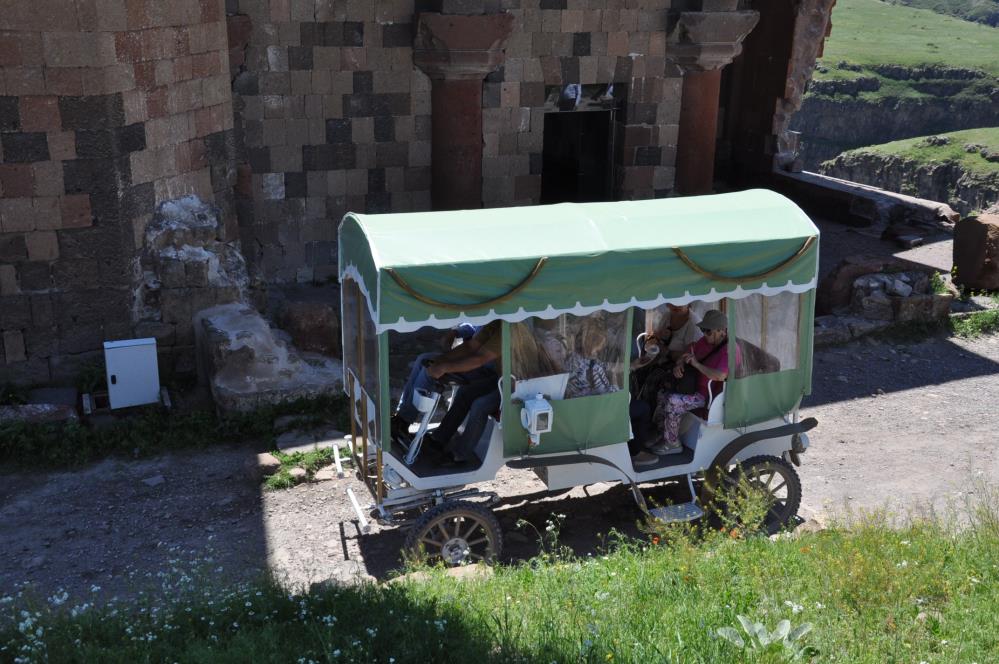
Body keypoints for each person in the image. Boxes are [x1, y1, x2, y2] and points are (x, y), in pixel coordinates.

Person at [427, 321, 558, 465]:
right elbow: (471, 346)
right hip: (506, 378)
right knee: (466, 392)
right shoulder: (496, 323)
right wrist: (441, 361)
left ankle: (459, 455)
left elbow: (480, 358)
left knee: (480, 405)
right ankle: (439, 439)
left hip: (523, 384)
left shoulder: (508, 327)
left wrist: (445, 367)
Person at [633, 309, 739, 467]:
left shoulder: (730, 350)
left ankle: (673, 444)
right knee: (662, 392)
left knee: (673, 400)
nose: (704, 334)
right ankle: (663, 434)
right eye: (703, 330)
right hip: (694, 386)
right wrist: (680, 364)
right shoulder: (706, 341)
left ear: (722, 331)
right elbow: (688, 352)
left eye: (708, 331)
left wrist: (696, 364)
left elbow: (719, 376)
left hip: (709, 396)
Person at [628, 304, 701, 452]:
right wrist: (658, 340)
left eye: (681, 303)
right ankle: (641, 429)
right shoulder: (668, 316)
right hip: (664, 360)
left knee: (656, 383)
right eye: (673, 303)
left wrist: (666, 350)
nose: (676, 306)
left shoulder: (693, 324)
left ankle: (658, 431)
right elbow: (656, 338)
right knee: (639, 376)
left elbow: (688, 356)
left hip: (683, 369)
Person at [391, 323, 485, 436]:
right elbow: (474, 325)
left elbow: (478, 349)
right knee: (423, 359)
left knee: (430, 371)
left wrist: (445, 364)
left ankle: (404, 420)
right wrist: (456, 332)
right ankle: (402, 415)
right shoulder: (487, 314)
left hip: (479, 364)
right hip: (468, 355)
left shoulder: (497, 319)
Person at [563, 316, 618, 399]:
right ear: (590, 344)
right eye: (598, 348)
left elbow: (603, 365)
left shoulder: (571, 358)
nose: (599, 351)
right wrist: (614, 380)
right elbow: (610, 398)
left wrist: (631, 366)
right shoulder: (594, 369)